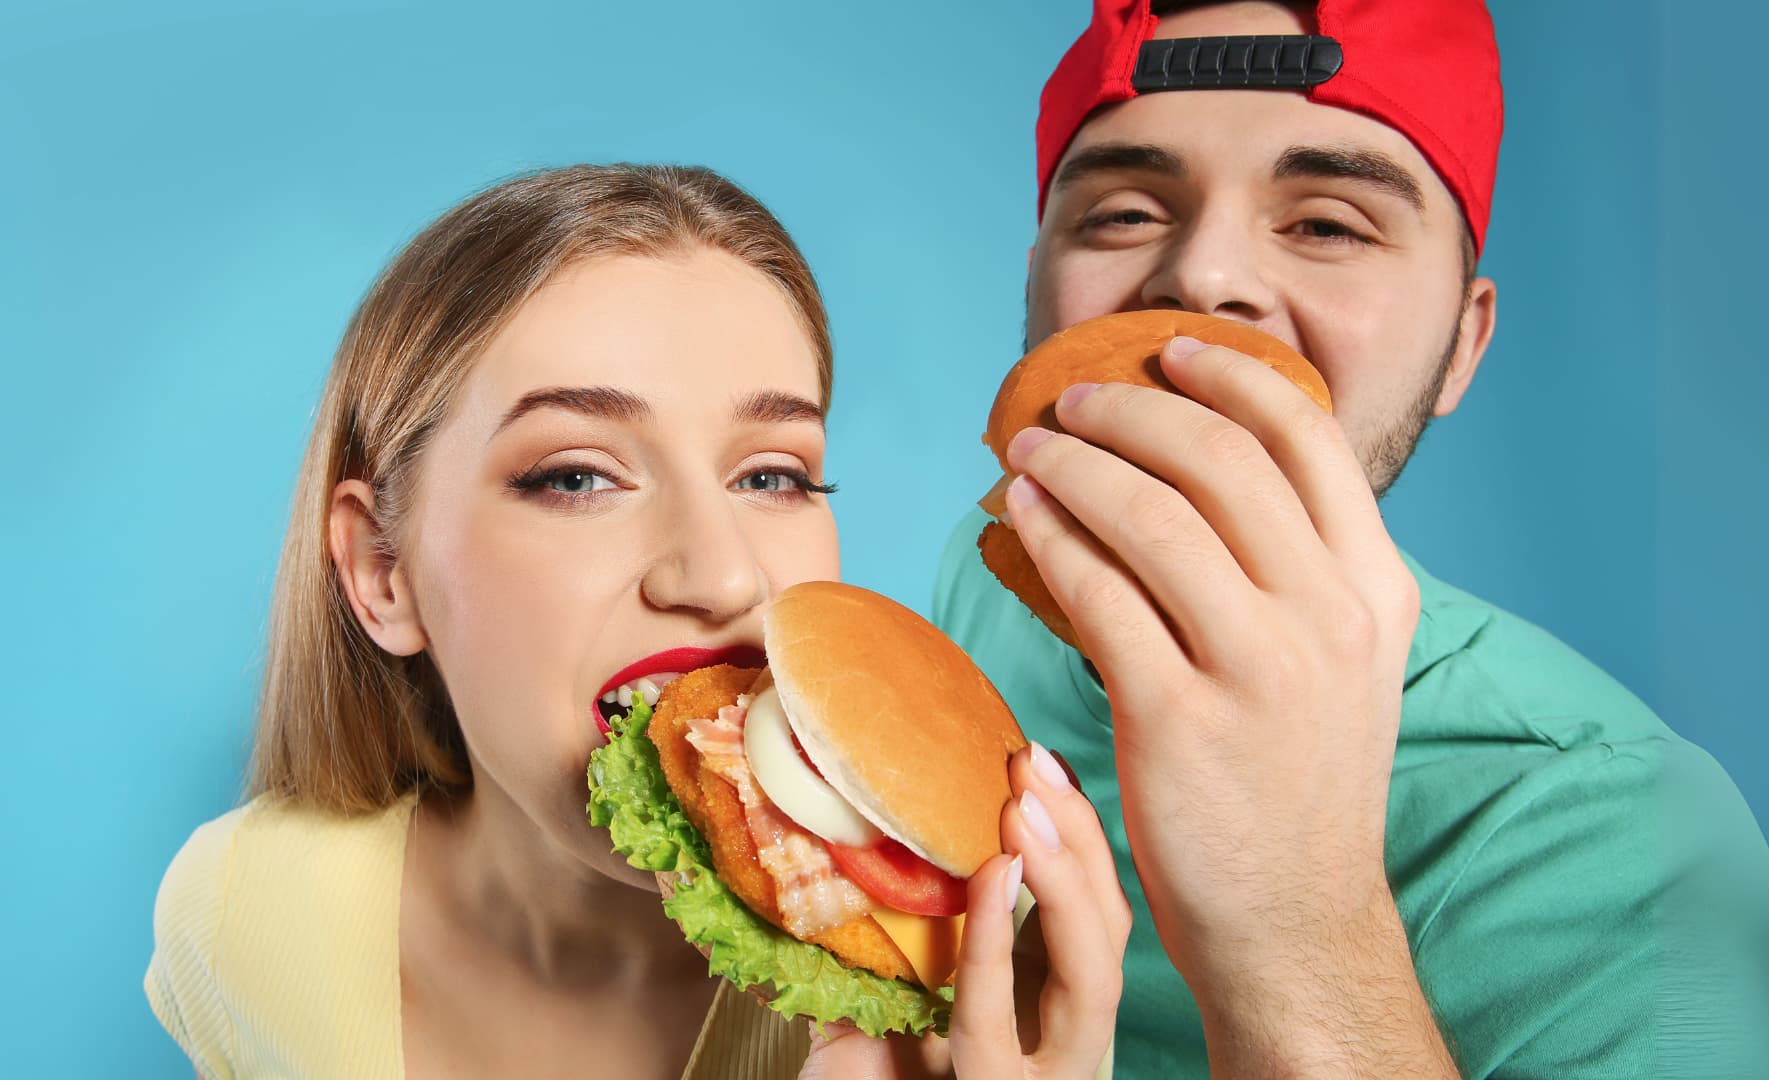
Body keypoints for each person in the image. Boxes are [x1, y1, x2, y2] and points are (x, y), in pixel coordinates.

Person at [932, 1, 1769, 1076]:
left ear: (1462, 346)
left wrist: (1296, 926)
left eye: (1327, 224)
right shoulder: (979, 591)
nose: (1206, 277)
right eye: (1122, 214)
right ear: (1035, 289)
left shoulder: (1644, 853)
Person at [144, 163, 1128, 1080]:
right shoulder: (241, 912)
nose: (725, 572)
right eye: (577, 475)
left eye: (772, 474)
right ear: (382, 571)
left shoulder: (950, 1011)